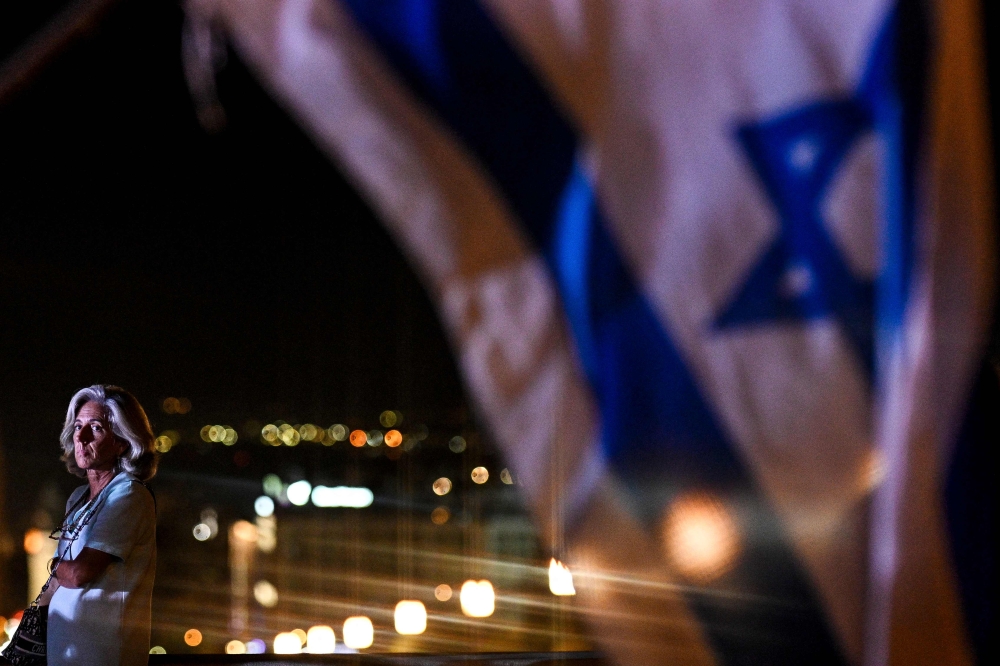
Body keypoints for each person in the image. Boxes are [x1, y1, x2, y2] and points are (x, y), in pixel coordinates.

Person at [40, 385, 158, 666]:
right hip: (65, 655)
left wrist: (54, 566)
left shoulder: (128, 494)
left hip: (104, 656)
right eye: (78, 426)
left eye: (95, 428)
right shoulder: (78, 499)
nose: (80, 437)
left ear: (122, 441)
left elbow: (80, 572)